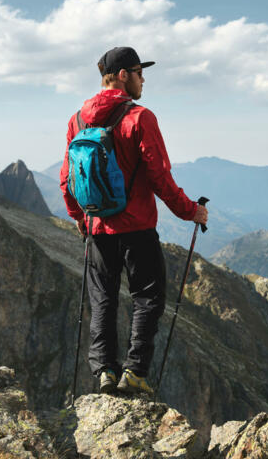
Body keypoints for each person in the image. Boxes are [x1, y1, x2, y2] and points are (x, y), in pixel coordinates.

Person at [60, 46, 208, 395]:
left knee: (103, 299)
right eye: (140, 72)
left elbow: (68, 179)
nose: (144, 79)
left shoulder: (78, 120)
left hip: (98, 228)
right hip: (137, 227)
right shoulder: (140, 118)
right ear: (123, 75)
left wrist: (80, 217)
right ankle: (135, 373)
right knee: (148, 297)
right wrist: (191, 211)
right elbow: (160, 178)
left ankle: (105, 372)